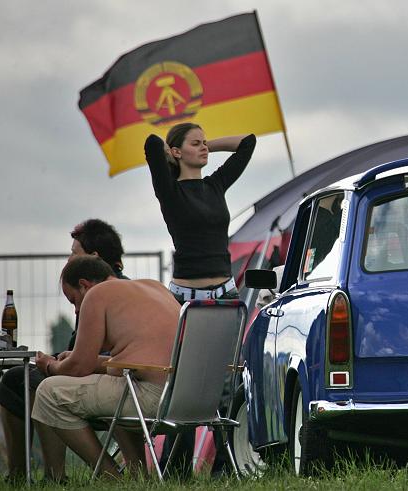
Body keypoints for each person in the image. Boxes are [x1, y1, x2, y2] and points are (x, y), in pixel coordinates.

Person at [144, 122, 255, 475]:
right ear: (176, 152)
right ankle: (176, 467)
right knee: (185, 382)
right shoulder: (170, 191)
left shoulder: (215, 185)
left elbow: (248, 144)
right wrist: (171, 153)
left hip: (225, 294)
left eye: (206, 142)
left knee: (227, 379)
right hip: (183, 300)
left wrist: (207, 144)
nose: (205, 148)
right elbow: (150, 144)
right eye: (196, 143)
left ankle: (226, 464)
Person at [0, 218, 127, 480]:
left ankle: (55, 475)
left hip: (108, 385)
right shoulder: (107, 288)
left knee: (37, 383)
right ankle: (19, 475)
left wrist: (53, 365)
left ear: (92, 257)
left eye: (73, 253)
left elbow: (93, 361)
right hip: (105, 379)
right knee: (12, 380)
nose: (68, 260)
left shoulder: (104, 294)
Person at [30, 256, 179, 480]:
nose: (77, 310)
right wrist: (83, 357)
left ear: (84, 285)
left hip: (151, 400)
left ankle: (111, 477)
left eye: (74, 301)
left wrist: (50, 365)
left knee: (48, 393)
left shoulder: (98, 294)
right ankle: (140, 477)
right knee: (116, 388)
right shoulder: (154, 287)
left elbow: (80, 367)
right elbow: (133, 363)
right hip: (186, 401)